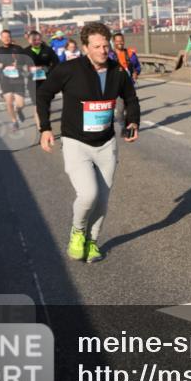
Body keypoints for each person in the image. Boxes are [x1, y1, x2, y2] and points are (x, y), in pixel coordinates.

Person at [37, 22, 140, 264]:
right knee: (88, 194)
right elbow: (43, 94)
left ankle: (92, 242)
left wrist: (133, 121)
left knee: (102, 200)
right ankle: (78, 232)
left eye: (106, 46)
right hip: (76, 142)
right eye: (97, 46)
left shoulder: (117, 71)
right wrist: (44, 128)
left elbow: (131, 97)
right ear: (85, 48)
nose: (104, 51)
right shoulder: (69, 69)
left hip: (105, 144)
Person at [0, 30, 30, 131]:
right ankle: (14, 121)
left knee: (21, 104)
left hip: (18, 80)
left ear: (10, 37)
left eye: (8, 36)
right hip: (5, 80)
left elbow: (25, 61)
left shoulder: (18, 48)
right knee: (9, 102)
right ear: (1, 38)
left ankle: (18, 110)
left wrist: (18, 64)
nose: (6, 38)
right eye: (4, 37)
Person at [25, 30, 60, 101]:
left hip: (46, 79)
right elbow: (20, 65)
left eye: (38, 39)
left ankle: (42, 110)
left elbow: (56, 62)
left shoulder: (48, 50)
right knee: (36, 101)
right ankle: (39, 111)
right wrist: (26, 70)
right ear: (29, 40)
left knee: (46, 100)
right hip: (32, 81)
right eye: (34, 40)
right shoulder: (25, 51)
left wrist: (47, 69)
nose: (37, 42)